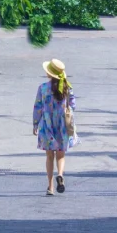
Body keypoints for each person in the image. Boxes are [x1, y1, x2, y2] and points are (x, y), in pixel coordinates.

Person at [33, 57, 77, 195]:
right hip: (62, 125)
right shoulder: (67, 87)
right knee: (61, 155)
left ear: (49, 73)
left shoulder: (43, 88)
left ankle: (50, 186)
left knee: (49, 156)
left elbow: (38, 107)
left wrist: (35, 124)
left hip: (47, 124)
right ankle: (61, 175)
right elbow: (73, 105)